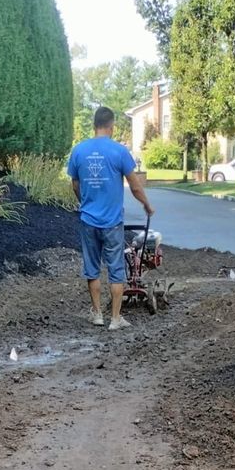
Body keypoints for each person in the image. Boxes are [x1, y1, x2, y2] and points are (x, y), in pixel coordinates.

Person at [67, 106, 154, 331]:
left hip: (88, 220)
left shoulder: (79, 151)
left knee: (92, 268)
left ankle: (96, 314)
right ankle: (115, 318)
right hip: (112, 222)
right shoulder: (119, 151)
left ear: (94, 125)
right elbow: (135, 185)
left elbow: (75, 184)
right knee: (116, 269)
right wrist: (146, 204)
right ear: (112, 126)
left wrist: (84, 201)